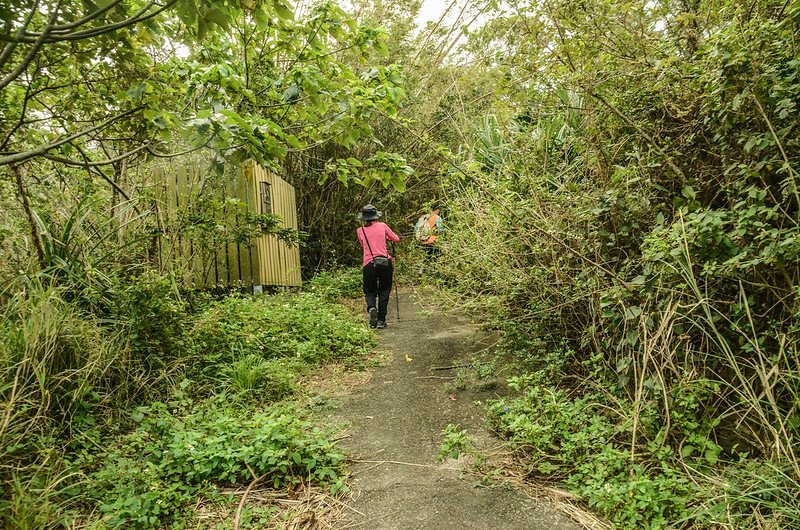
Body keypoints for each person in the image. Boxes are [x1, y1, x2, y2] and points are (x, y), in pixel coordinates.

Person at [356, 204, 400, 329]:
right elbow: (396, 239)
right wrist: (385, 237)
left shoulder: (360, 230)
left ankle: (371, 308)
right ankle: (381, 320)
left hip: (369, 264)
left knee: (369, 291)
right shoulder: (383, 226)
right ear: (375, 217)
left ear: (364, 218)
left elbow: (363, 244)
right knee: (384, 291)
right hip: (384, 262)